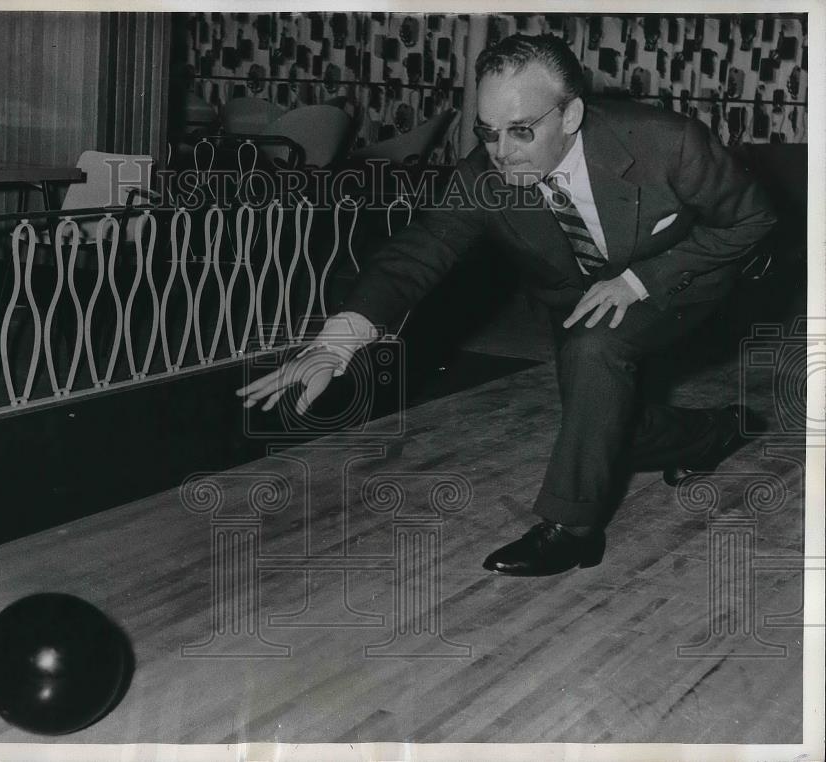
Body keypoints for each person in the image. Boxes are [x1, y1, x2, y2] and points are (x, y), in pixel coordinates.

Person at [237, 34, 777, 577]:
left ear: (571, 116)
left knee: (594, 355)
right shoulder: (483, 178)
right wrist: (339, 341)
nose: (502, 152)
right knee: (605, 423)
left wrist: (641, 280)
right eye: (487, 132)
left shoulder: (667, 142)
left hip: (684, 280)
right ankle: (712, 433)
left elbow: (754, 219)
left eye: (522, 131)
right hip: (577, 296)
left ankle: (573, 531)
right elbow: (422, 250)